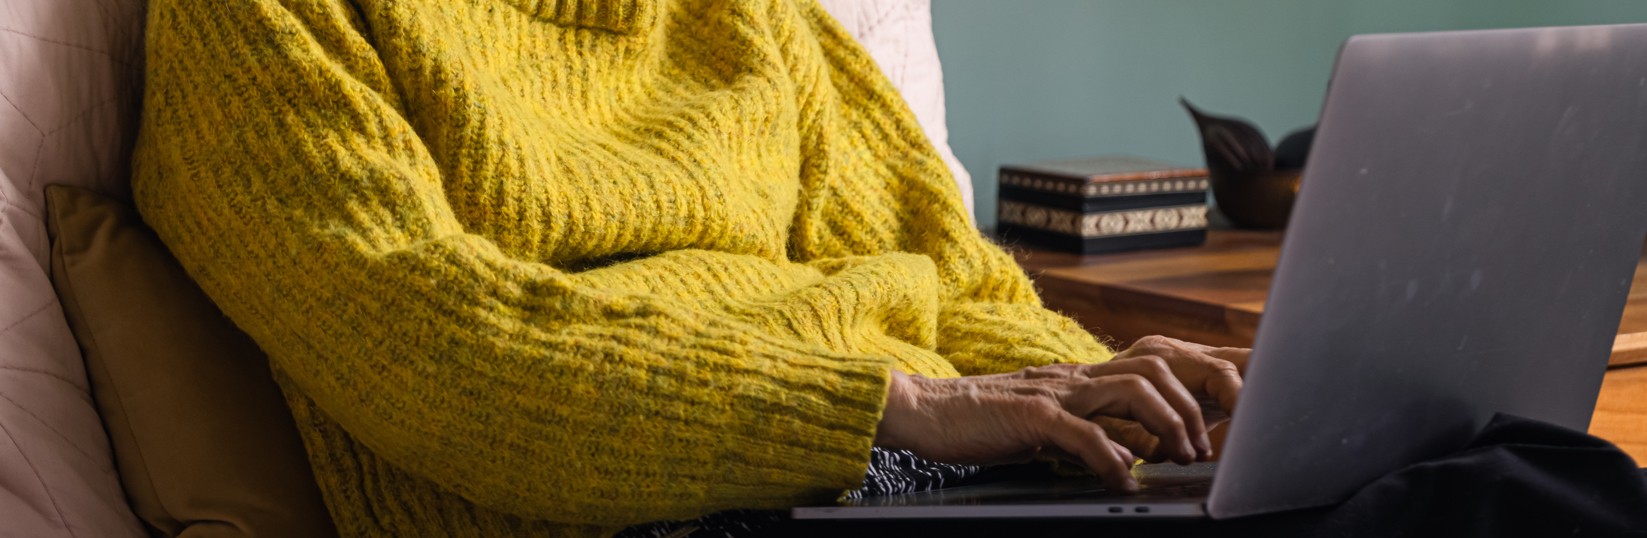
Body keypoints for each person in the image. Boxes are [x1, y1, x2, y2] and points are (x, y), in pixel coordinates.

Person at [132, 0, 1247, 536]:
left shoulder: (750, 16)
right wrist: (891, 407)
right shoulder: (261, 16)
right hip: (654, 505)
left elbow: (953, 282)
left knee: (1395, 494)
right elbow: (427, 340)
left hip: (909, 461)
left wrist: (1120, 408)